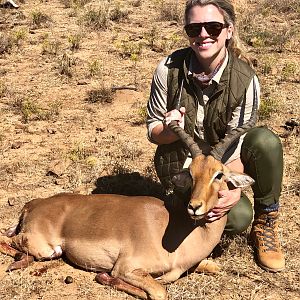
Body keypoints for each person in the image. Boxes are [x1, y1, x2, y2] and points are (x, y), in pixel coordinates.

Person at [146, 0, 285, 272]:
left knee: (263, 146)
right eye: (194, 28)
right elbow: (154, 133)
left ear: (228, 31)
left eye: (213, 27)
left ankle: (267, 220)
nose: (203, 35)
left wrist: (232, 188)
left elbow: (236, 143)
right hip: (184, 168)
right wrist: (174, 128)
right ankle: (182, 209)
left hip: (222, 166)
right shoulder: (168, 69)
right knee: (215, 213)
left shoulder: (245, 80)